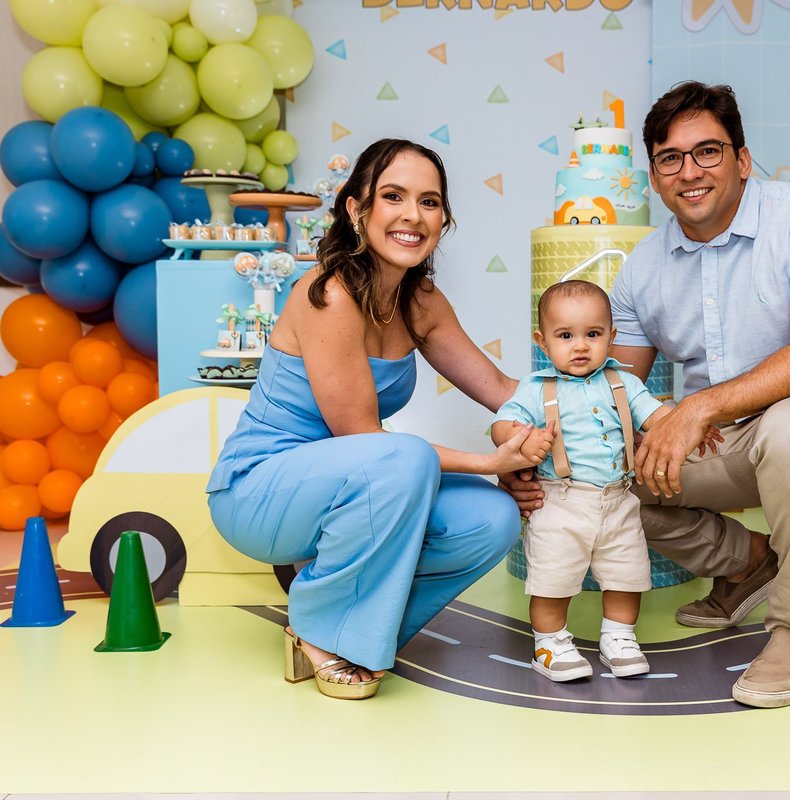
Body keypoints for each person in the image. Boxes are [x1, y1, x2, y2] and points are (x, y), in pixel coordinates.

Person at [207, 139, 553, 700]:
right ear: (356, 208)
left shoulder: (421, 302)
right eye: (393, 196)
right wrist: (493, 460)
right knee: (404, 454)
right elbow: (363, 439)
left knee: (492, 517)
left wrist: (581, 415)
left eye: (430, 201)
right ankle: (321, 626)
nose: (413, 216)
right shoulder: (329, 296)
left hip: (359, 486)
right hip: (260, 491)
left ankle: (355, 628)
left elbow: (505, 392)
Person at [610, 81, 790, 708]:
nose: (690, 171)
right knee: (594, 472)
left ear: (741, 159)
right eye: (670, 158)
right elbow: (613, 390)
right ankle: (747, 562)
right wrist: (543, 445)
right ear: (653, 176)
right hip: (725, 444)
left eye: (708, 151)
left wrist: (697, 406)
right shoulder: (644, 265)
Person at [492, 280, 714, 682]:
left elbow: (655, 416)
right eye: (566, 336)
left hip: (619, 498)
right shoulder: (536, 388)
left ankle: (619, 636)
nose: (580, 346)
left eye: (592, 335)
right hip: (560, 501)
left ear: (611, 338)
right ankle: (549, 642)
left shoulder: (623, 383)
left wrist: (687, 425)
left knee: (626, 572)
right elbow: (500, 425)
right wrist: (520, 437)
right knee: (552, 577)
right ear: (543, 342)